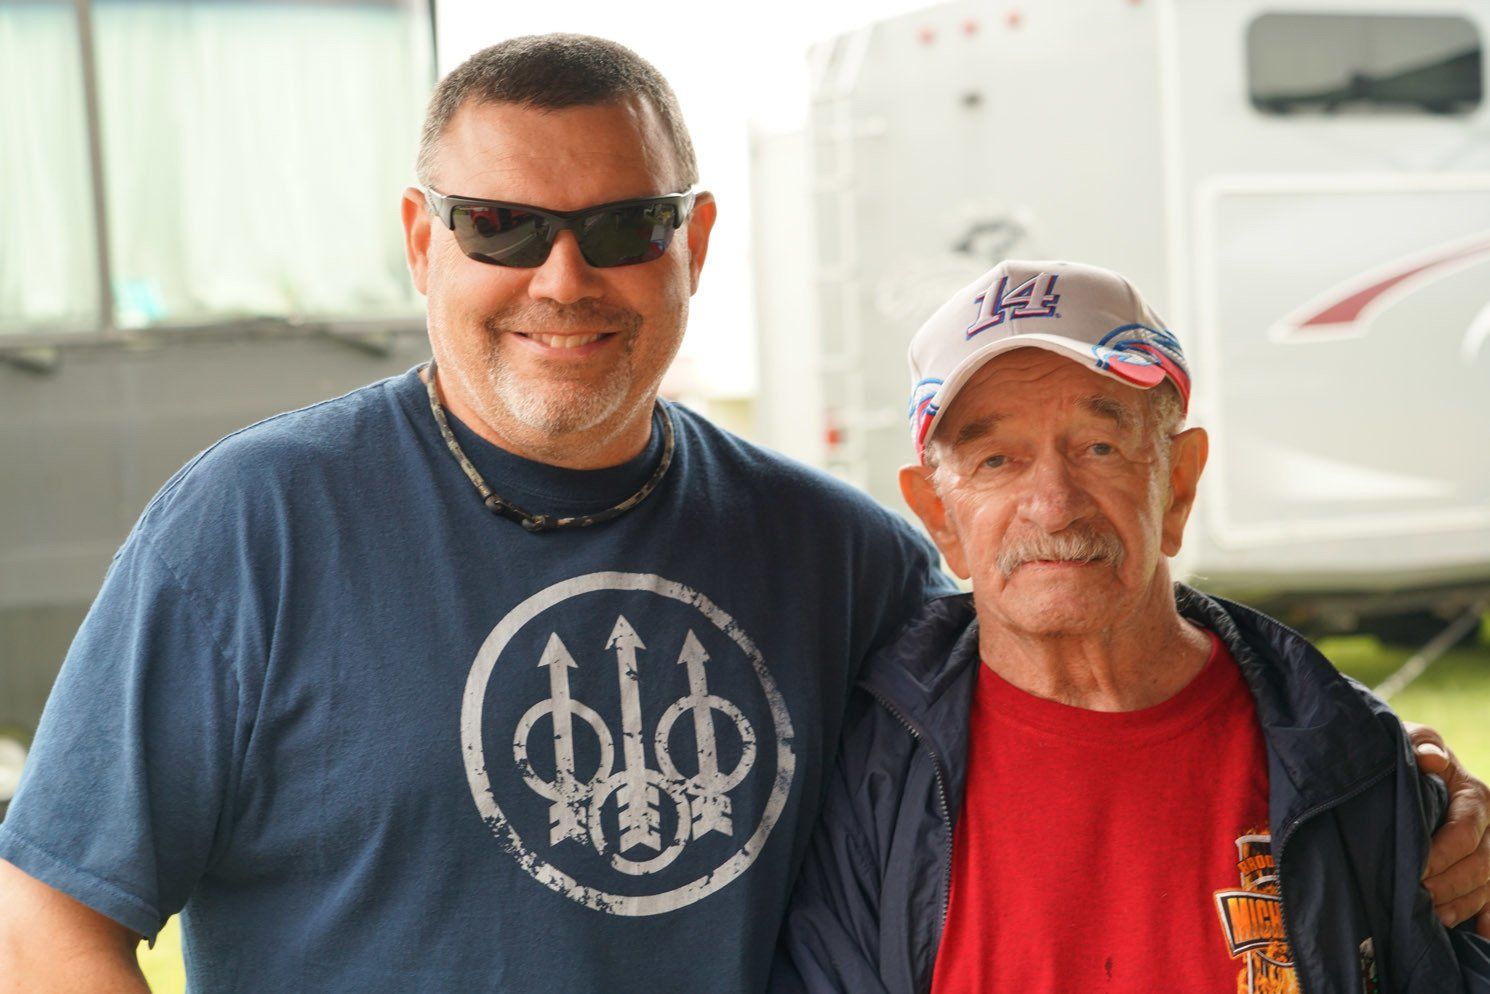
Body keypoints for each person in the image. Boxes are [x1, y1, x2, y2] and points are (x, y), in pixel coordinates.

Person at [0, 37, 1483, 994]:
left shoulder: (833, 552)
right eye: (501, 225)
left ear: (693, 242)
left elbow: (1066, 672)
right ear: (420, 241)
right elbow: (49, 912)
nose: (563, 279)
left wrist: (1373, 794)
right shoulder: (253, 526)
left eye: (624, 226)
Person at [773, 260, 1490, 994]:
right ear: (938, 516)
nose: (1053, 505)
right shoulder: (862, 780)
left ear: (1177, 484)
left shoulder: (1347, 755)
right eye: (996, 460)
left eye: (1099, 448)